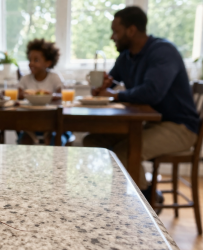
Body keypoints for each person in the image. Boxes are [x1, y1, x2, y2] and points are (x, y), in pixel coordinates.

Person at [83, 6, 199, 204]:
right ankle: (129, 197)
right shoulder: (127, 56)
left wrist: (114, 95)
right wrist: (103, 86)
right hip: (147, 124)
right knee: (93, 142)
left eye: (116, 31)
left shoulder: (163, 52)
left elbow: (152, 93)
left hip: (180, 127)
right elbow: (110, 81)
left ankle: (145, 206)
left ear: (131, 30)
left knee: (125, 153)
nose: (112, 37)